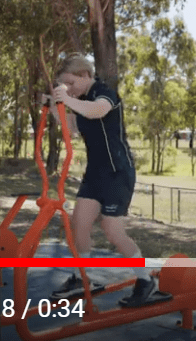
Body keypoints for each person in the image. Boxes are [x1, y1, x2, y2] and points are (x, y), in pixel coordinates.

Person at [44, 53, 158, 307]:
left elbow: (98, 111)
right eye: (66, 85)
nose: (69, 89)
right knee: (79, 224)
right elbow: (72, 128)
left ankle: (145, 280)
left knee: (112, 230)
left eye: (72, 83)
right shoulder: (81, 100)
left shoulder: (104, 93)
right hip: (95, 172)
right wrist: (54, 105)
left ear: (85, 75)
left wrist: (68, 100)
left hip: (117, 171)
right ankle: (82, 277)